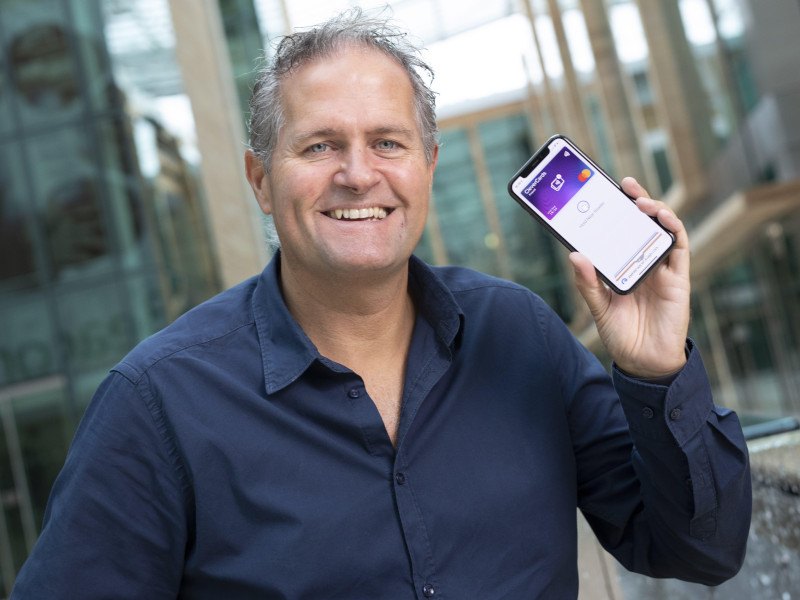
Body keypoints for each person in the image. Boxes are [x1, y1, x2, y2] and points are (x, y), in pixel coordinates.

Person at [12, 8, 751, 600]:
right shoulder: (158, 404)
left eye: (389, 143)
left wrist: (658, 370)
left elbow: (701, 551)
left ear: (428, 167)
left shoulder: (518, 333)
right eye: (320, 147)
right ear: (261, 180)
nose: (359, 175)